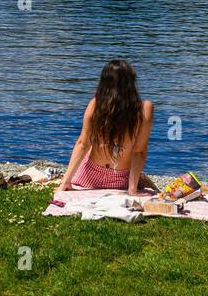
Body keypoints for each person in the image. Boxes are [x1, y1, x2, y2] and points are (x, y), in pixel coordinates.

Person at [57, 59, 156, 195]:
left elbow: (82, 143)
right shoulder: (144, 109)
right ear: (131, 83)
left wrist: (65, 182)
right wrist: (132, 190)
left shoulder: (96, 104)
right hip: (121, 180)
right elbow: (139, 152)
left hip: (88, 176)